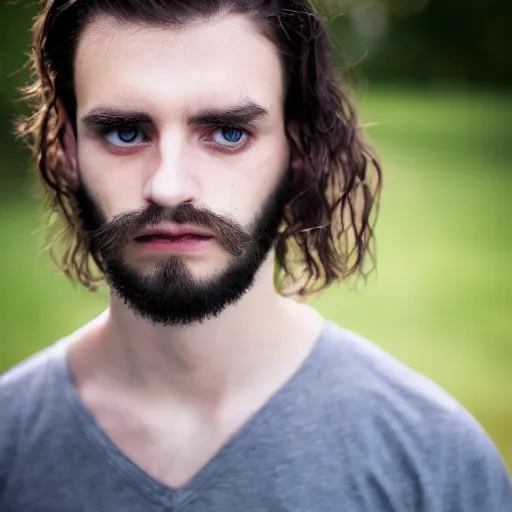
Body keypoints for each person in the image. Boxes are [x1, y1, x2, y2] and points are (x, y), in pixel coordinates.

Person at [1, 0, 510, 510]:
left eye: (228, 133)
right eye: (125, 133)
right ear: (68, 144)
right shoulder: (10, 446)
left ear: (299, 145)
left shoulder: (435, 465)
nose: (169, 187)